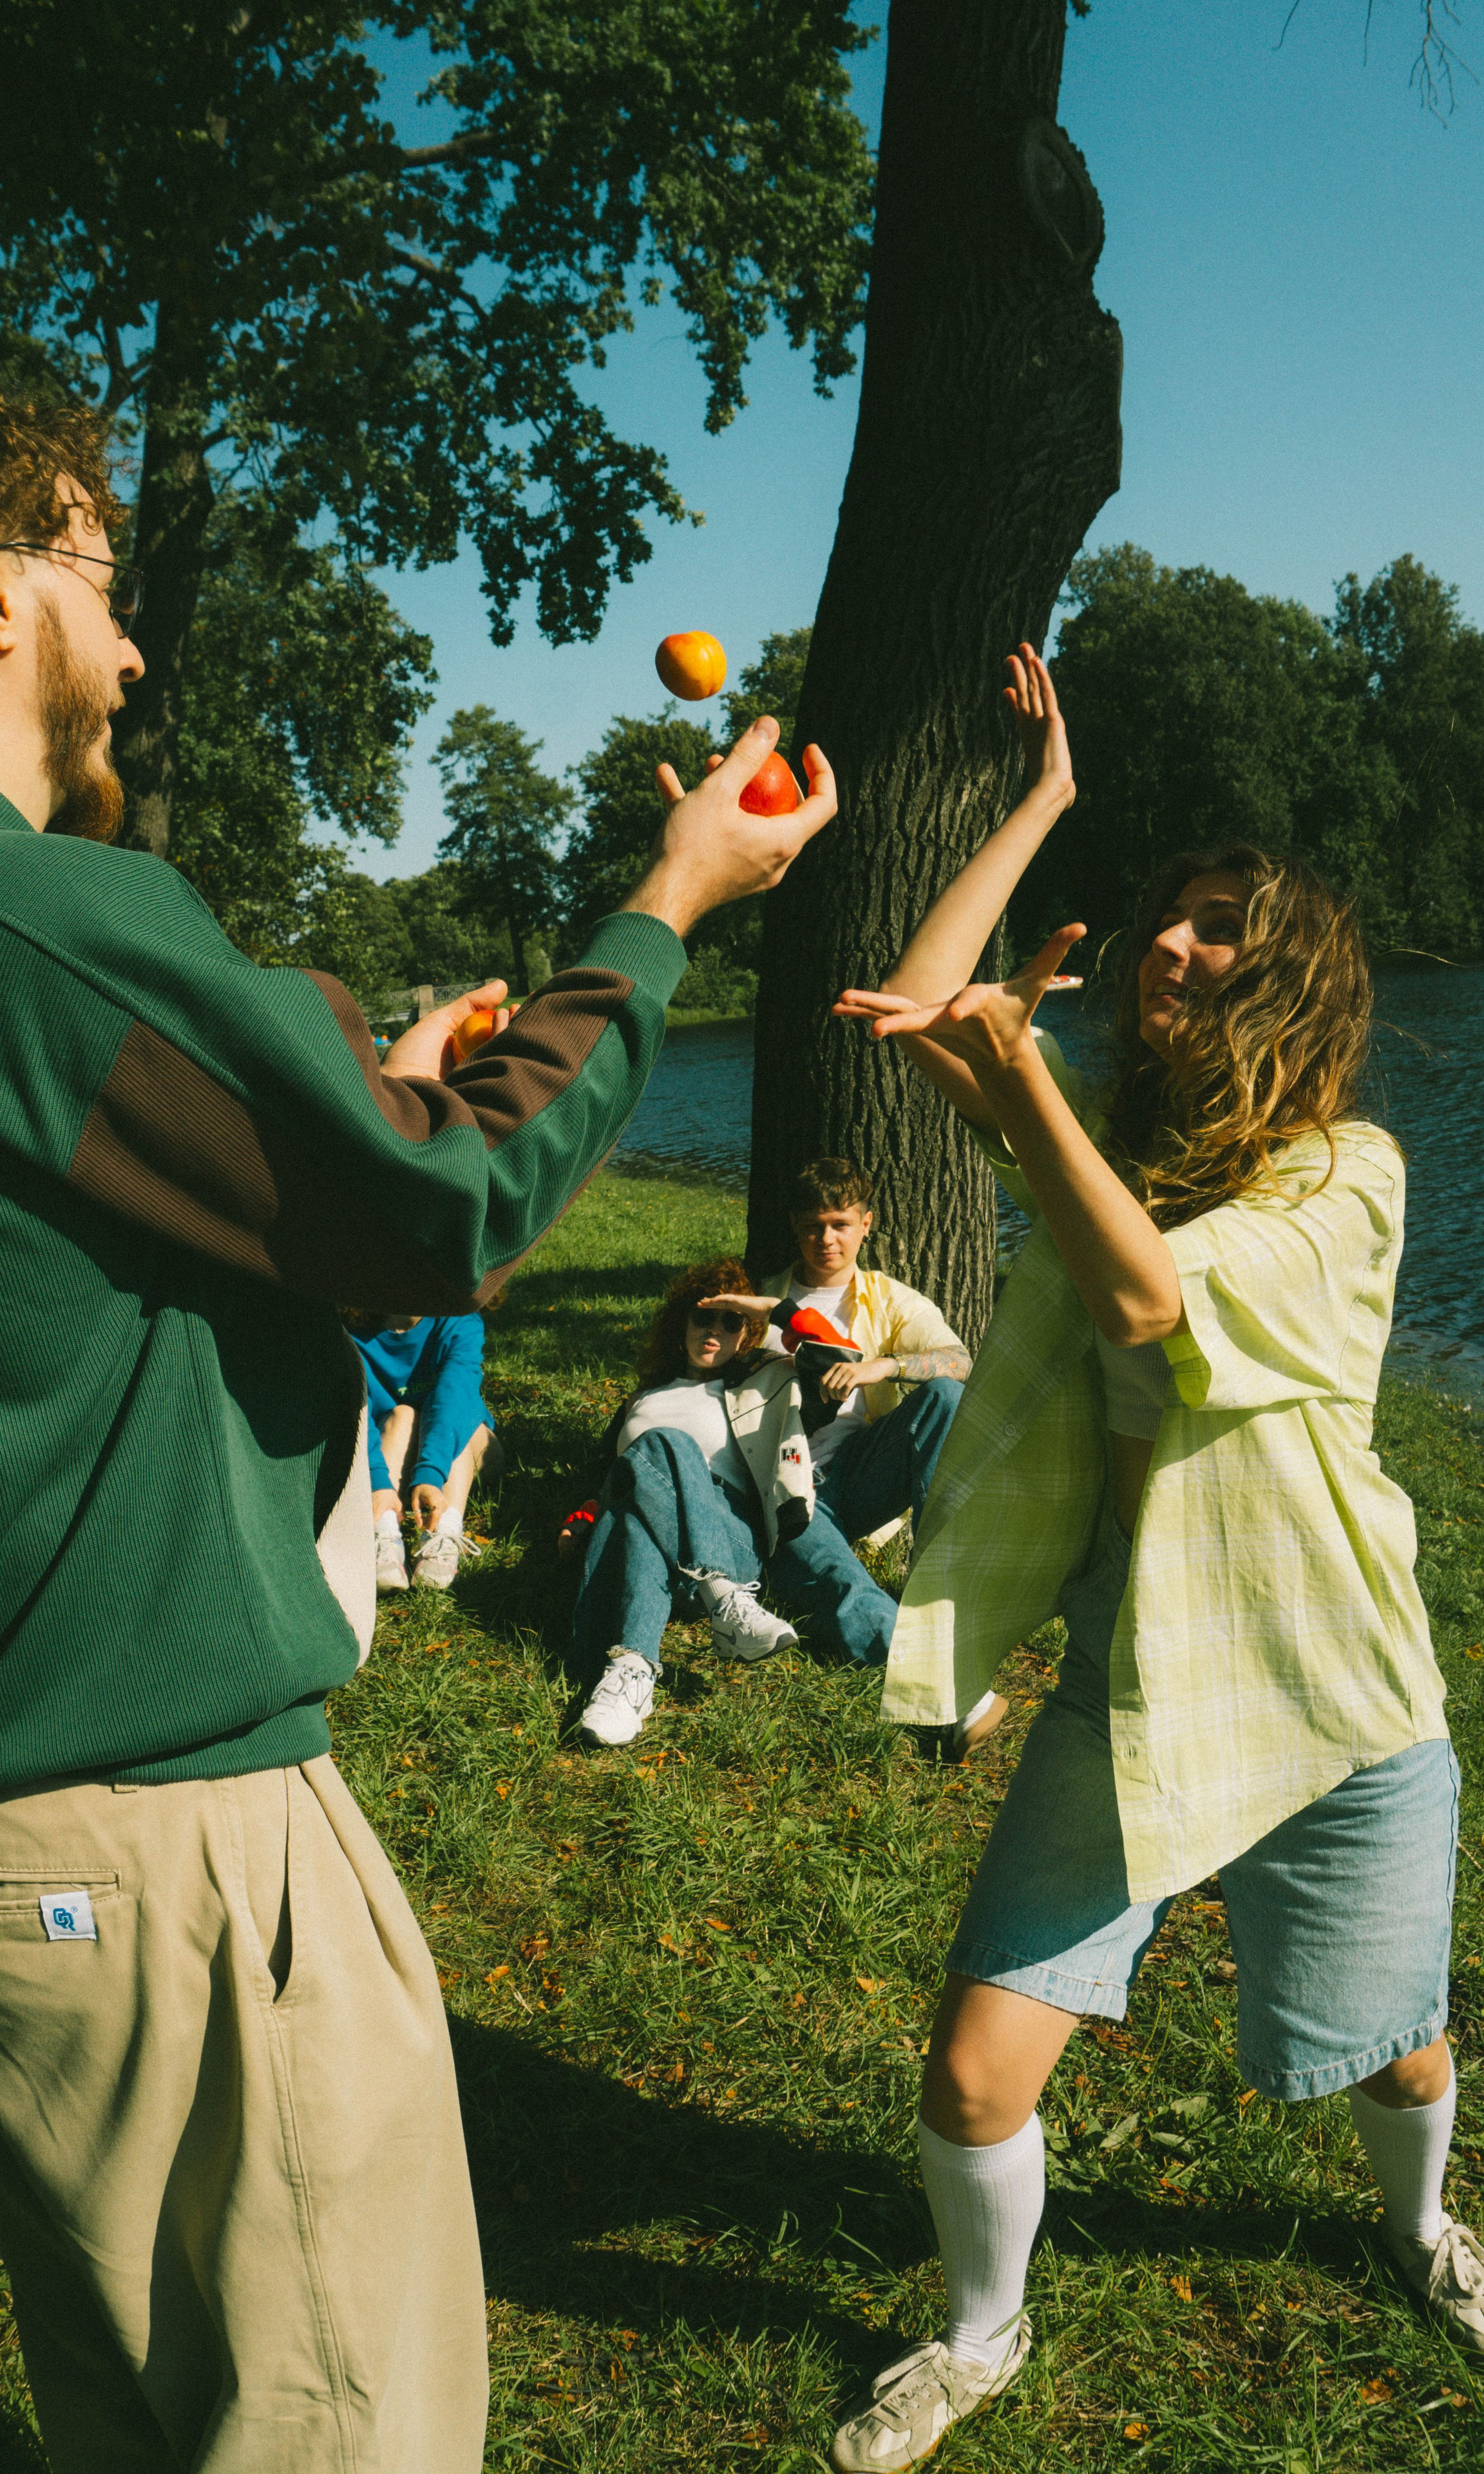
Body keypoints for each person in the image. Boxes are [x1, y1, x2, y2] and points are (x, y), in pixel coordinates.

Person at [0, 374, 835, 2474]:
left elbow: (23, 1270)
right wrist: (667, 906)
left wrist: (327, 1109)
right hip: (160, 1838)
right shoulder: (24, 920)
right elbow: (444, 1206)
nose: (133, 640)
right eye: (101, 573)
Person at [817, 642, 1480, 2471]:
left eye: (1215, 934)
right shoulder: (1117, 1143)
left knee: (1396, 2051)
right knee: (971, 2069)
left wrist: (1017, 1086)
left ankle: (1424, 2227)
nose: (1169, 950)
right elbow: (928, 997)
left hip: (1331, 1691)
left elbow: (1145, 1294)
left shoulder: (1349, 1177)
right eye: (1169, 919)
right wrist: (1044, 807)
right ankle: (980, 2331)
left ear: (1288, 989)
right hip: (1133, 1675)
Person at [727, 1158, 985, 1723]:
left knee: (943, 1396)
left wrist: (882, 1367)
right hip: (787, 1491)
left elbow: (961, 1363)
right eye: (814, 1226)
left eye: (841, 1225)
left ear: (866, 1225)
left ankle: (938, 1573)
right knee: (844, 1584)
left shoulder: (888, 1300)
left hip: (862, 1475)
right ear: (796, 1227)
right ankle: (944, 1696)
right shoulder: (760, 1299)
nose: (827, 1240)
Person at [563, 1260, 812, 1747]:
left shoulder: (763, 1382)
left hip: (731, 1537)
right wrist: (580, 1519)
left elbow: (835, 1356)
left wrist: (769, 1309)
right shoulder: (641, 1399)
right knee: (639, 1496)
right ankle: (641, 1668)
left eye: (730, 1320)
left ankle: (657, 1644)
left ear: (747, 1332)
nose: (714, 1330)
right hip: (650, 1551)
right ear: (682, 1325)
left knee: (665, 1444)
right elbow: (599, 1480)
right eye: (703, 1317)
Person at [347, 1309, 504, 1590]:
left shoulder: (459, 1320)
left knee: (458, 1426)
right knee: (403, 1414)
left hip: (463, 1455)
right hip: (394, 1453)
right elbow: (355, 1411)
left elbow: (454, 1397)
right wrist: (377, 1481)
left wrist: (430, 1473)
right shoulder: (350, 1332)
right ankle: (383, 1530)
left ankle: (444, 1530)